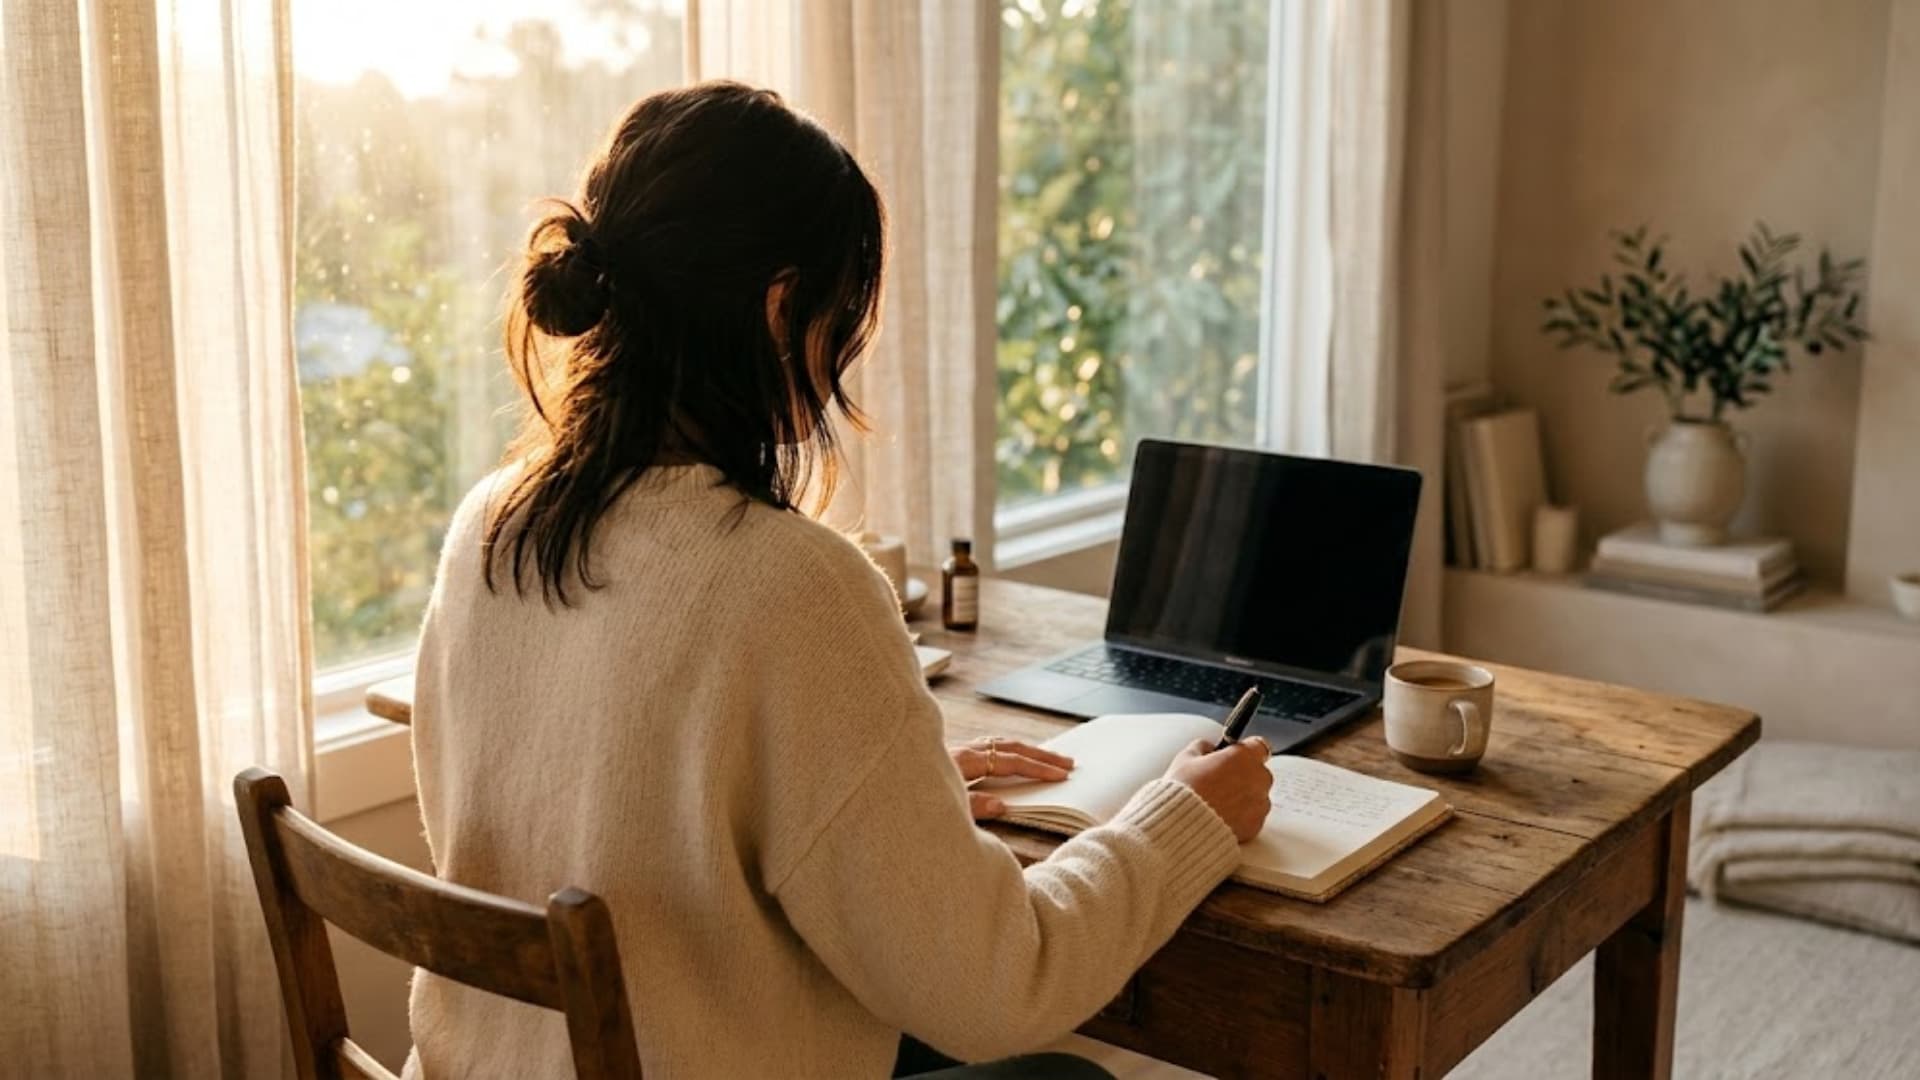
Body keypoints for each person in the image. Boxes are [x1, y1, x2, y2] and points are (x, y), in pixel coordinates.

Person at [405, 81, 1274, 1080]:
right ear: (782, 307)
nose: (842, 357)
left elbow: (566, 824)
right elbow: (1001, 989)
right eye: (842, 315)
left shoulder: (489, 525)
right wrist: (1188, 820)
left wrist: (882, 805)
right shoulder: (792, 585)